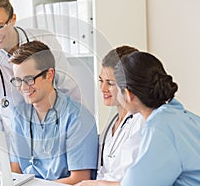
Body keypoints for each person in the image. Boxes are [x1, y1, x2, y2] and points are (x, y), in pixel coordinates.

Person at [0, 0, 81, 131]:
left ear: (13, 20)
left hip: (54, 125)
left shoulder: (45, 40)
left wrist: (78, 125)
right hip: (16, 132)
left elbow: (69, 87)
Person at [82, 51, 200, 185]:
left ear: (127, 94)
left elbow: (135, 184)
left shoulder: (158, 127)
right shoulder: (178, 114)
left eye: (112, 84)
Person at [8, 40, 98, 185]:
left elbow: (80, 179)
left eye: (29, 80)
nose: (23, 87)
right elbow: (15, 172)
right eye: (18, 80)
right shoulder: (19, 116)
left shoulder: (78, 118)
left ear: (49, 75)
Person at [75, 46, 145, 186]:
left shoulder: (141, 122)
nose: (102, 89)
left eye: (110, 83)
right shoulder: (111, 124)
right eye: (101, 81)